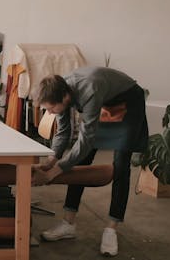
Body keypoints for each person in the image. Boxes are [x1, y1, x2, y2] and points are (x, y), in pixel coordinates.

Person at [32, 66, 148, 257]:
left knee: (120, 165)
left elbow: (85, 140)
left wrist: (55, 172)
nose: (50, 112)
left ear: (65, 98)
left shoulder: (90, 90)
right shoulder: (60, 90)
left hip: (128, 103)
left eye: (51, 108)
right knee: (81, 161)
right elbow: (63, 130)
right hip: (106, 101)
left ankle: (112, 229)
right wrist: (52, 160)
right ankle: (68, 224)